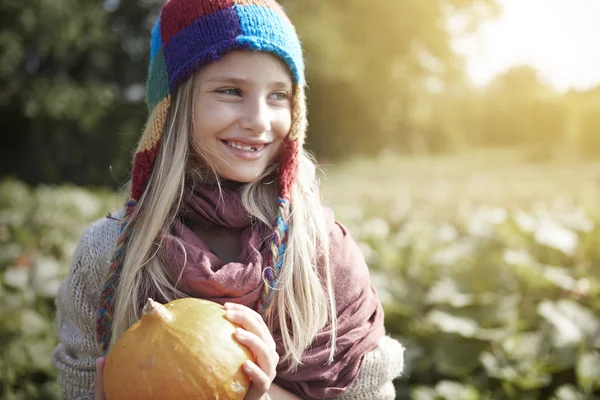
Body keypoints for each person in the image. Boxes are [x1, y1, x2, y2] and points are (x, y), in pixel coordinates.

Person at [52, 0, 404, 399]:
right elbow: (79, 385)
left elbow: (371, 392)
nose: (258, 120)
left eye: (278, 95)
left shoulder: (322, 252)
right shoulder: (108, 255)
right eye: (230, 91)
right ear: (173, 108)